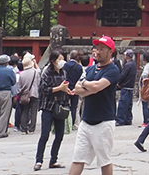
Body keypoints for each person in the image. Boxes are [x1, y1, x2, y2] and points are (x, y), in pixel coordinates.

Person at [67, 34, 122, 175]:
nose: (98, 51)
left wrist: (86, 84)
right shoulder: (90, 69)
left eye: (102, 49)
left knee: (104, 160)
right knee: (78, 158)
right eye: (97, 48)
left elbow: (97, 86)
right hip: (86, 120)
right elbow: (77, 89)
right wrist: (89, 88)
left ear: (110, 52)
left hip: (103, 121)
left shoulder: (113, 70)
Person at [35, 50, 70, 171]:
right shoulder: (47, 73)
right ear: (52, 61)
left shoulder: (63, 72)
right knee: (45, 134)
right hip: (48, 106)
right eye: (59, 59)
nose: (61, 61)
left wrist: (66, 91)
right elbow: (43, 90)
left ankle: (53, 159)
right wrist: (59, 88)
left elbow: (64, 87)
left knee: (59, 135)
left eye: (62, 58)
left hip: (60, 105)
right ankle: (39, 160)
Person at [17, 53, 40, 133]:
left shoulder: (21, 74)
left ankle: (23, 128)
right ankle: (32, 128)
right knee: (34, 111)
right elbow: (38, 83)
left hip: (25, 94)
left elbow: (19, 86)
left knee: (25, 111)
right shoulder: (36, 72)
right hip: (34, 93)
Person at [116, 48, 137, 126]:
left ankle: (120, 119)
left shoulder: (127, 65)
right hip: (130, 86)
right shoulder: (133, 64)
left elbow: (123, 75)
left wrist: (119, 82)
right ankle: (128, 119)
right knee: (128, 104)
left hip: (125, 86)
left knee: (123, 104)